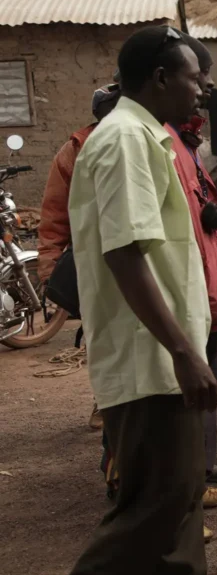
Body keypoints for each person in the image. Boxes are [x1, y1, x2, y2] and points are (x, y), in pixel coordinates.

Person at [57, 25, 214, 575]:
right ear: (162, 78)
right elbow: (124, 255)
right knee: (156, 506)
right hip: (152, 363)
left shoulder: (147, 136)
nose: (204, 88)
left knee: (180, 517)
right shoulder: (124, 139)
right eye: (196, 77)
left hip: (165, 358)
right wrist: (181, 352)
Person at [173, 35, 217, 507]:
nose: (210, 85)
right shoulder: (155, 140)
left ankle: (200, 467)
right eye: (202, 76)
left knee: (206, 375)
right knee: (186, 381)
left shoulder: (186, 137)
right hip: (185, 283)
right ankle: (183, 482)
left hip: (204, 278)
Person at [37, 83, 120, 431]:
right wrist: (49, 267)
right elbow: (55, 213)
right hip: (95, 260)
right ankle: (106, 401)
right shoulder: (74, 150)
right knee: (101, 336)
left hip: (139, 255)